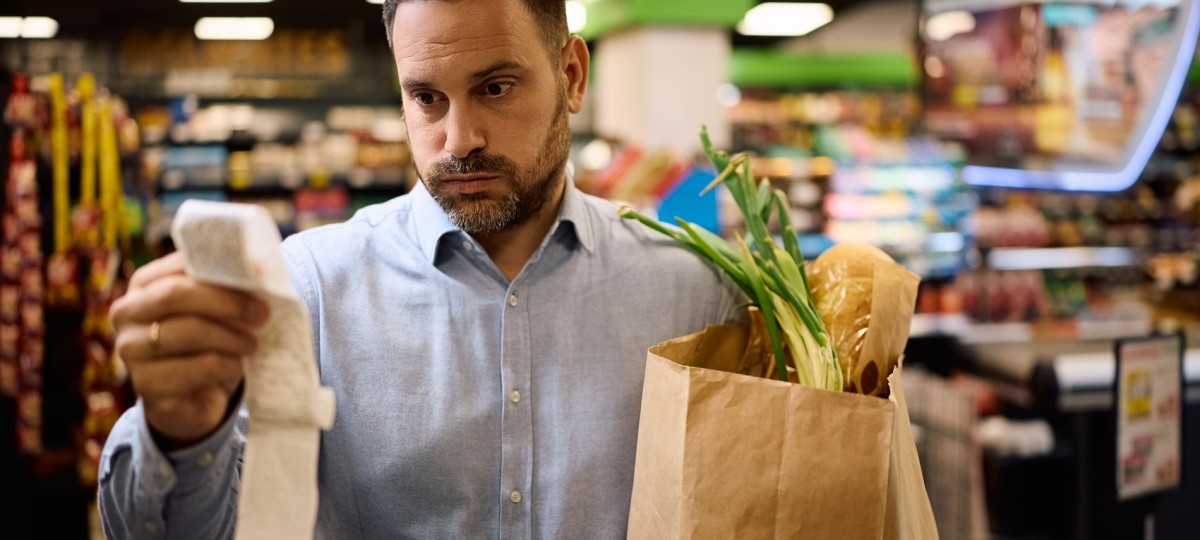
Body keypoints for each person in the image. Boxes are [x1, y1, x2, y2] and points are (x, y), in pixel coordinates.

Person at [98, 0, 738, 537]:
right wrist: (183, 434)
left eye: (495, 88)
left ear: (571, 75)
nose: (460, 140)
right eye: (427, 98)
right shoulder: (309, 289)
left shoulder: (696, 289)